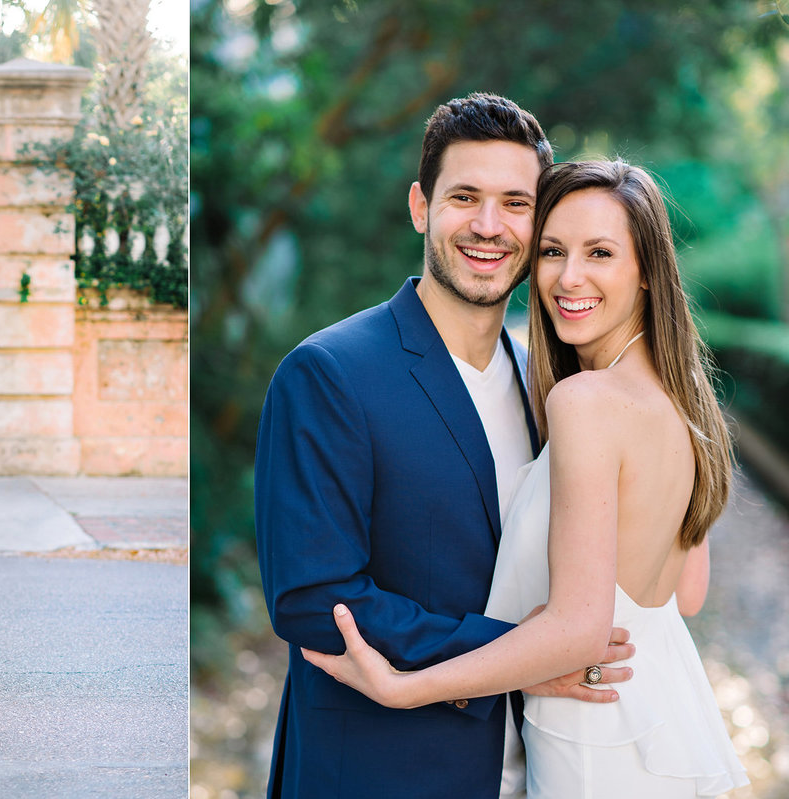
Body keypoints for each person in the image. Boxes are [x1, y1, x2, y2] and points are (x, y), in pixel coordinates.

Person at [303, 160, 749, 797]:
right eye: (552, 251)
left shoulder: (584, 402)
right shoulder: (681, 403)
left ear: (648, 270)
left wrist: (408, 687)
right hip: (658, 719)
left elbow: (580, 629)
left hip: (594, 741)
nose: (569, 277)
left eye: (600, 252)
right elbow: (687, 592)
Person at [254, 93, 635, 799]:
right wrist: (514, 656)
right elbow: (313, 598)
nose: (489, 226)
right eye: (465, 196)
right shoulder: (329, 373)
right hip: (377, 773)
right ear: (420, 206)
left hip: (532, 770)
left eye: (516, 203)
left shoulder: (549, 386)